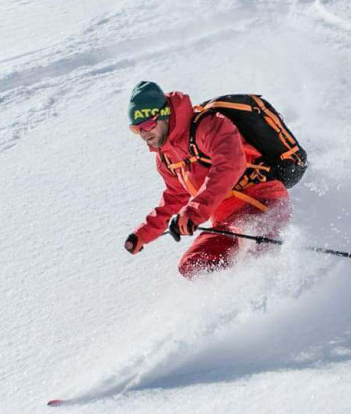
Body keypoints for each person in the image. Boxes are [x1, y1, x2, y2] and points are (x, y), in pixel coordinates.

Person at [124, 80, 291, 278]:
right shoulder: (166, 158)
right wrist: (144, 233)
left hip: (261, 201)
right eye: (137, 129)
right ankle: (233, 302)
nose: (144, 133)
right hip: (225, 221)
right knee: (193, 264)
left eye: (148, 124)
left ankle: (287, 295)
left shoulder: (209, 125)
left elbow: (230, 165)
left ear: (164, 115)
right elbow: (176, 195)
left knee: (253, 255)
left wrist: (195, 211)